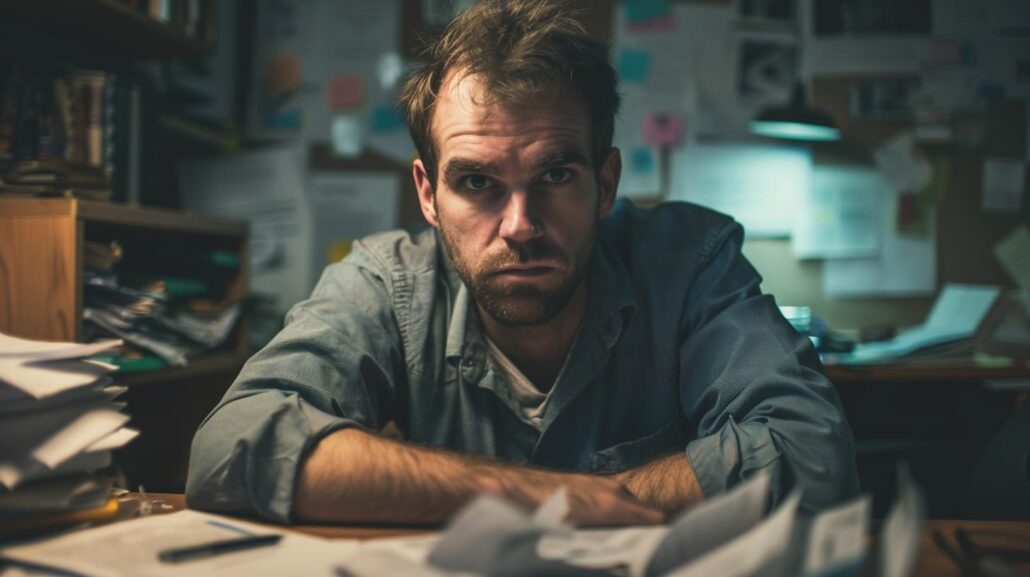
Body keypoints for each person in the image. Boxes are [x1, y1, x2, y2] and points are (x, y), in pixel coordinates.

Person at [186, 0, 858, 527]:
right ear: (427, 193)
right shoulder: (385, 284)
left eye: (557, 174)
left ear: (605, 182)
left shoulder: (689, 264)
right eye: (477, 182)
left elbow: (813, 451)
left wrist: (589, 498)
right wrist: (542, 494)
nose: (520, 227)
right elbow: (232, 446)